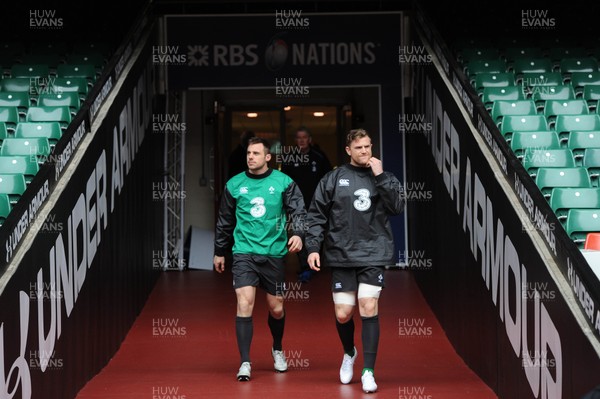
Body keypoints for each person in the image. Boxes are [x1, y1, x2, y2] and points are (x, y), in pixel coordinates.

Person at [305, 129, 405, 393]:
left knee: (368, 306)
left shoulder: (385, 177)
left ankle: (368, 372)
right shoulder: (333, 179)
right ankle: (349, 352)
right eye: (359, 148)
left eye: (368, 146)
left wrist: (380, 176)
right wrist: (313, 247)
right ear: (348, 151)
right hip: (341, 254)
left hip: (374, 253)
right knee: (343, 314)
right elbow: (315, 215)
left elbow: (397, 207)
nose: (365, 151)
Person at [213, 136, 307, 382]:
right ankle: (245, 362)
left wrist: (297, 233)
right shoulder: (235, 184)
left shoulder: (283, 182)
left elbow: (298, 210)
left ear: (268, 157)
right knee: (245, 303)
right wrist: (220, 251)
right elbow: (225, 220)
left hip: (274, 253)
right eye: (248, 153)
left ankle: (277, 348)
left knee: (276, 308)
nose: (250, 157)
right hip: (244, 252)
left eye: (256, 153)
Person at [281, 126, 332, 283]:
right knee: (299, 233)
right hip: (296, 205)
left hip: (317, 203)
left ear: (309, 139)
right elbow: (284, 181)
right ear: (295, 140)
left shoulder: (319, 156)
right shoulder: (290, 158)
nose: (302, 140)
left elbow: (329, 179)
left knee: (316, 232)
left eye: (304, 137)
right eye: (298, 137)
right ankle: (305, 267)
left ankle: (315, 263)